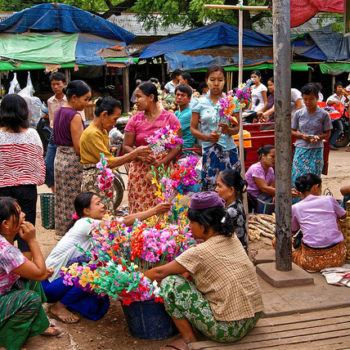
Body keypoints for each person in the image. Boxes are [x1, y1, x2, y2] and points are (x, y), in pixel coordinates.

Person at [145, 192, 263, 350]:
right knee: (188, 275)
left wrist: (129, 280)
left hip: (229, 331)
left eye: (191, 222)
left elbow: (159, 273)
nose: (189, 226)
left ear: (204, 224)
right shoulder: (231, 237)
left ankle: (188, 339)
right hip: (253, 317)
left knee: (170, 283)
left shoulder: (199, 252)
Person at [43, 192, 171, 323]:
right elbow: (124, 222)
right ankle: (59, 306)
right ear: (86, 211)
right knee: (92, 272)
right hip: (49, 285)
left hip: (63, 280)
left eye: (101, 202)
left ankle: (67, 301)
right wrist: (155, 211)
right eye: (98, 204)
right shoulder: (85, 223)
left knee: (97, 306)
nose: (103, 206)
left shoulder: (95, 225)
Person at [0, 197, 61, 350]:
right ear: (5, 224)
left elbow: (35, 272)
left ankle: (40, 325)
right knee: (30, 298)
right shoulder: (5, 251)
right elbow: (40, 274)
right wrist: (32, 240)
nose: (24, 215)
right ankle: (6, 343)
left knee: (31, 278)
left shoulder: (4, 243)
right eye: (18, 213)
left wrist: (36, 272)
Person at [79, 97, 152, 207]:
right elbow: (109, 162)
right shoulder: (92, 133)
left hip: (101, 178)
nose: (114, 124)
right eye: (114, 119)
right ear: (104, 115)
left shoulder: (101, 131)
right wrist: (135, 153)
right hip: (94, 180)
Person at [123, 82, 182, 213]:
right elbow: (126, 145)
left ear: (151, 97)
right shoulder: (134, 120)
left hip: (163, 169)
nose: (136, 101)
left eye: (139, 97)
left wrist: (161, 162)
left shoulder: (170, 118)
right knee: (140, 208)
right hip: (140, 171)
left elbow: (178, 145)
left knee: (163, 206)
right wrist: (139, 155)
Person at [0, 94, 45, 257]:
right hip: (27, 189)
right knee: (26, 230)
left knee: (5, 231)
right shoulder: (32, 134)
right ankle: (25, 276)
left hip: (2, 192)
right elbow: (38, 160)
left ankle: (7, 272)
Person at [190, 65, 240, 191]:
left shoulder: (232, 101)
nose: (216, 84)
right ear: (206, 80)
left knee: (230, 189)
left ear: (225, 81)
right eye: (212, 80)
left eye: (220, 80)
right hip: (209, 152)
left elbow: (237, 128)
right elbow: (193, 129)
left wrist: (228, 130)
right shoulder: (198, 102)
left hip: (229, 151)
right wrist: (207, 137)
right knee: (210, 188)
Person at [54, 80, 91, 237]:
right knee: (75, 199)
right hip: (72, 162)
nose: (87, 104)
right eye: (85, 99)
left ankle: (62, 232)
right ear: (74, 97)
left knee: (62, 198)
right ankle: (73, 235)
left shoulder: (60, 111)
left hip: (59, 158)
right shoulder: (74, 116)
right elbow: (78, 148)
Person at [291, 173, 346, 271]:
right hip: (338, 258)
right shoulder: (329, 199)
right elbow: (343, 215)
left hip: (311, 263)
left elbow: (293, 231)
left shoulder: (295, 207)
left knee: (277, 241)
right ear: (316, 187)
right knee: (336, 216)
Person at [291, 83, 332, 203]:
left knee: (313, 180)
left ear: (317, 98)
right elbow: (292, 131)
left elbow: (327, 134)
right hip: (301, 150)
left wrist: (318, 137)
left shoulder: (324, 114)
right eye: (305, 99)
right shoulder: (299, 114)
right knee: (297, 178)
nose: (308, 102)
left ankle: (313, 204)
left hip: (316, 151)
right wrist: (302, 136)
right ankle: (297, 204)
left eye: (311, 99)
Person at [45, 72, 67, 191]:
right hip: (55, 134)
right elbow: (51, 119)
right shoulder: (50, 101)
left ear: (64, 84)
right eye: (53, 84)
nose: (55, 87)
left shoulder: (70, 100)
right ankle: (55, 191)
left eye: (58, 84)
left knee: (65, 166)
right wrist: (53, 124)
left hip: (68, 135)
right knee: (48, 165)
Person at [216, 169, 248, 250]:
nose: (216, 189)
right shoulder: (238, 203)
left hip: (234, 254)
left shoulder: (230, 211)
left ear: (231, 190)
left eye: (219, 186)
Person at [246, 146, 275, 212]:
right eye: (272, 156)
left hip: (263, 197)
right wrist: (284, 193)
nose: (275, 159)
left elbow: (272, 187)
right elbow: (264, 188)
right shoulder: (256, 168)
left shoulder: (270, 169)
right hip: (252, 199)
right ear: (263, 156)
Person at [326, 81, 348, 150]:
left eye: (341, 87)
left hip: (344, 115)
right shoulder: (332, 97)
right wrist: (334, 101)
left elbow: (347, 104)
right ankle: (331, 143)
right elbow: (328, 103)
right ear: (335, 89)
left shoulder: (344, 97)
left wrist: (347, 98)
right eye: (338, 87)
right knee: (340, 128)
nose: (340, 88)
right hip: (336, 116)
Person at [175, 85, 196, 150]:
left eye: (182, 95)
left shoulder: (189, 113)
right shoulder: (177, 112)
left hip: (185, 149)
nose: (179, 97)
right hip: (177, 147)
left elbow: (173, 131)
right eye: (177, 95)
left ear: (189, 98)